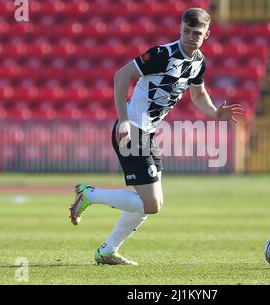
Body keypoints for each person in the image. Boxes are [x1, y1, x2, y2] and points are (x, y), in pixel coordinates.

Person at [69, 7, 244, 265]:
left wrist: (215, 113)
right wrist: (124, 121)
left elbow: (197, 95)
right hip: (133, 130)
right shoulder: (162, 54)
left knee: (147, 202)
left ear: (207, 35)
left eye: (197, 33)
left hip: (148, 133)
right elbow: (121, 76)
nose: (190, 37)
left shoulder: (198, 62)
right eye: (186, 31)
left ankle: (108, 250)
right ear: (180, 29)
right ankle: (89, 195)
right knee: (152, 204)